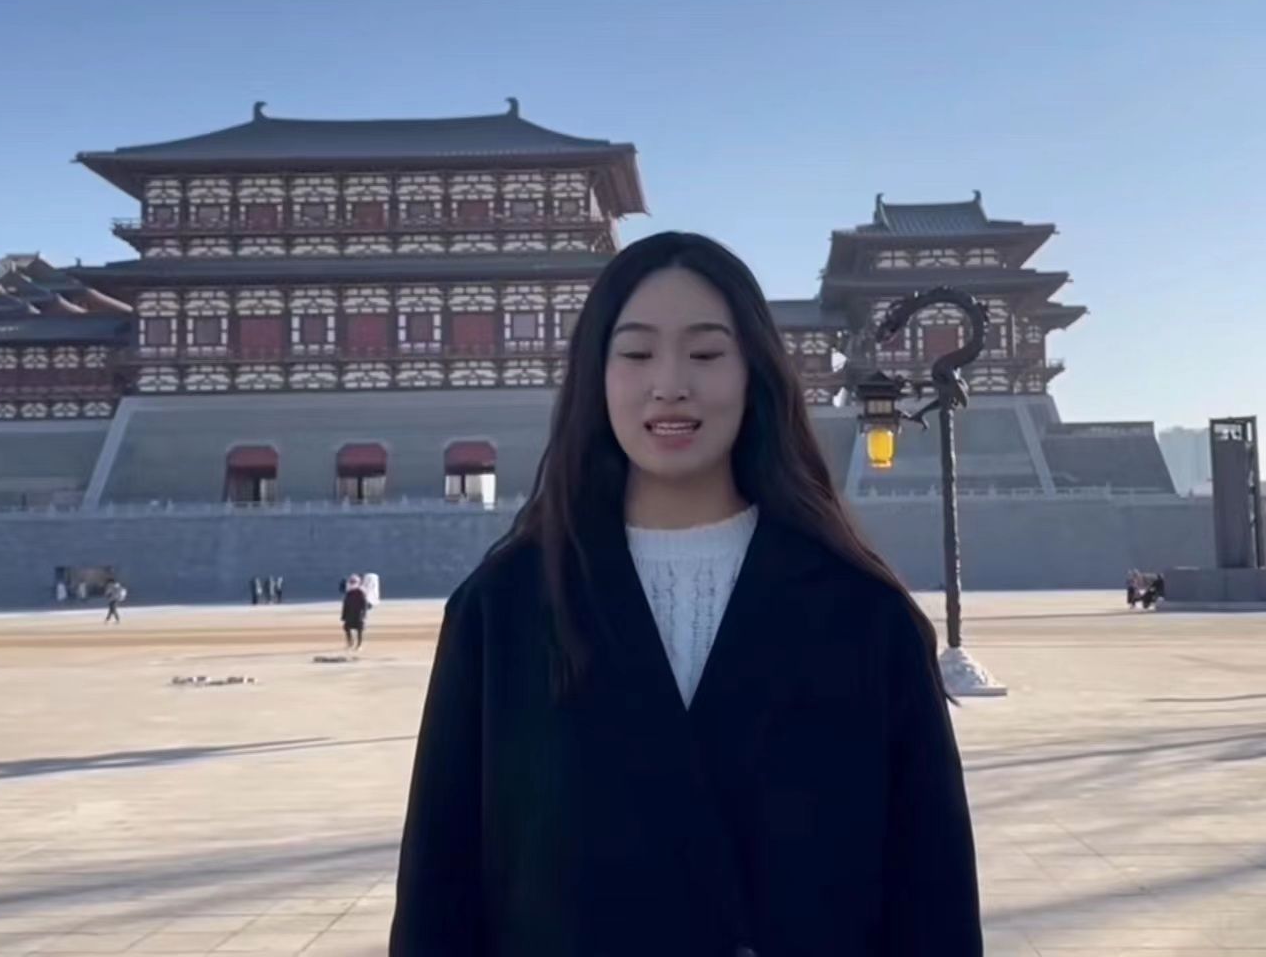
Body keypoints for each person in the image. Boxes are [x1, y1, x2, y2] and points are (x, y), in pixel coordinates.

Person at [390, 232, 982, 956]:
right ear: (596, 376)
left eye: (705, 354)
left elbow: (931, 899)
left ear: (754, 373)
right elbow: (440, 893)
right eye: (637, 353)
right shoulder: (503, 610)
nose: (670, 383)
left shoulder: (864, 615)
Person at [341, 574, 369, 651]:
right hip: (349, 614)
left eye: (354, 582)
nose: (352, 583)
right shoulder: (349, 593)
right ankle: (350, 643)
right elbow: (345, 605)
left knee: (359, 630)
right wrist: (343, 616)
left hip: (358, 615)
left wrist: (364, 615)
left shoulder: (361, 593)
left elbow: (364, 605)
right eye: (351, 582)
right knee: (347, 628)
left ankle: (359, 645)